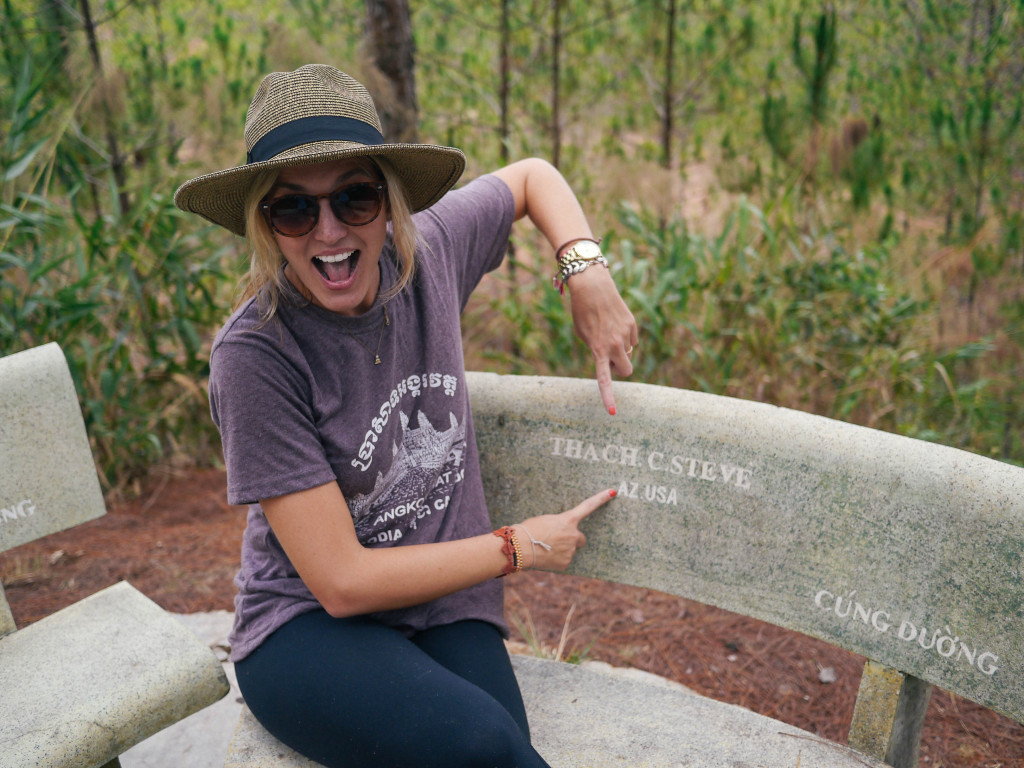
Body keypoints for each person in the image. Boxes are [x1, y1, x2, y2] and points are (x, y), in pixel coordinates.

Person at [174, 64, 638, 768]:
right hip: (305, 626)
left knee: (502, 746)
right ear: (263, 224)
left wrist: (586, 270)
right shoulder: (256, 354)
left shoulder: (429, 253)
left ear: (390, 203)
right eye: (294, 209)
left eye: (355, 198)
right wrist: (518, 546)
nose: (328, 232)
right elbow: (342, 580)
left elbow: (532, 176)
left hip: (441, 603)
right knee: (484, 748)